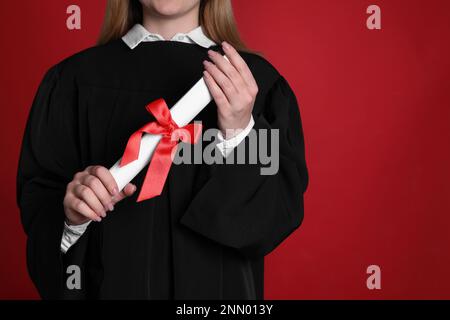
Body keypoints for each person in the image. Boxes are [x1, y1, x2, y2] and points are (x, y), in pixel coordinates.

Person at [16, 0, 308, 299]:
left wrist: (239, 131)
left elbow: (270, 221)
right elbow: (41, 216)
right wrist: (72, 218)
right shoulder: (73, 82)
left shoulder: (254, 84)